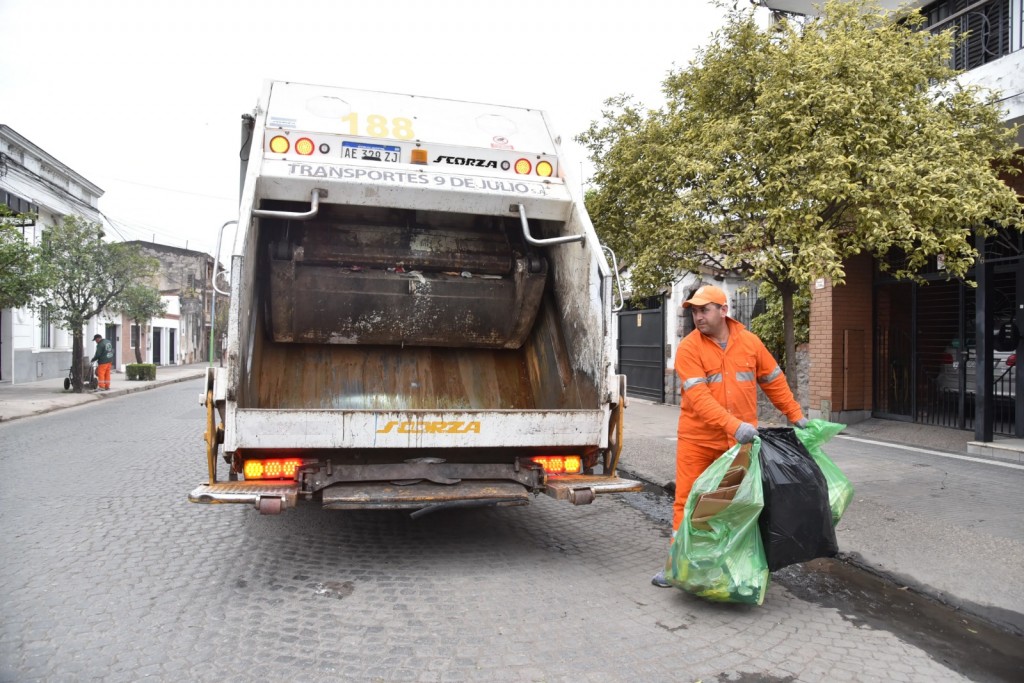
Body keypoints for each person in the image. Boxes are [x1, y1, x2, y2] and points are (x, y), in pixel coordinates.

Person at [653, 284, 807, 587]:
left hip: (739, 444)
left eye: (704, 309)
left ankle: (729, 564)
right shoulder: (689, 348)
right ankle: (677, 566)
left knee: (734, 505)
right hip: (699, 441)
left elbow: (773, 379)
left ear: (724, 310)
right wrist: (734, 426)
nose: (698, 317)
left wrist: (795, 414)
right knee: (689, 502)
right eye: (694, 311)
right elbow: (700, 398)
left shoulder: (750, 343)